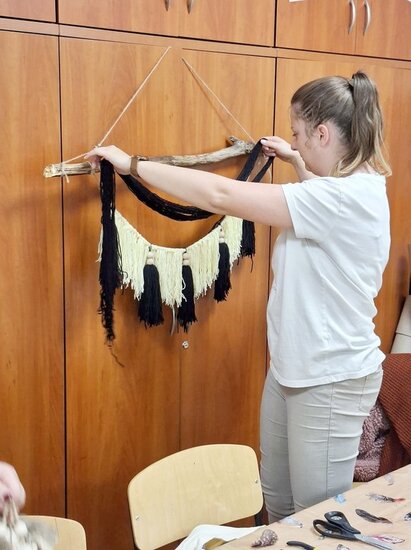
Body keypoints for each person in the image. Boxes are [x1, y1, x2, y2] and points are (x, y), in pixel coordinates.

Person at [85, 71, 391, 522]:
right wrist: (296, 158)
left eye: (298, 134)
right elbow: (318, 194)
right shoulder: (346, 187)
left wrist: (132, 165)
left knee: (314, 521)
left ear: (323, 134)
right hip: (294, 368)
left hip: (330, 378)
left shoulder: (343, 199)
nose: (294, 141)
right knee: (278, 503)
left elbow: (220, 194)